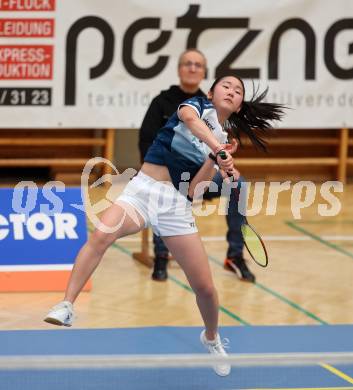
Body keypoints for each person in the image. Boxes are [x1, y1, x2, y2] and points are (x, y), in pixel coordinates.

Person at [44, 75, 285, 377]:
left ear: (238, 106)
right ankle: (66, 305)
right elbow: (189, 119)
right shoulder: (196, 105)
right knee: (102, 236)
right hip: (141, 192)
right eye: (226, 86)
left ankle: (210, 338)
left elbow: (194, 192)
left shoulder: (220, 138)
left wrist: (213, 160)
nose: (232, 92)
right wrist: (219, 149)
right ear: (211, 92)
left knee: (206, 289)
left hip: (174, 206)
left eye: (238, 91)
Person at [139, 48, 256, 283]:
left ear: (204, 73)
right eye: (187, 64)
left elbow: (218, 148)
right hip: (166, 174)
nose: (192, 68)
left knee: (238, 185)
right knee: (169, 190)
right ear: (179, 70)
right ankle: (161, 255)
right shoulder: (162, 102)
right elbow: (145, 141)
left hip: (201, 174)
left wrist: (227, 169)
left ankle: (235, 255)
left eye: (198, 65)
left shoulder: (215, 105)